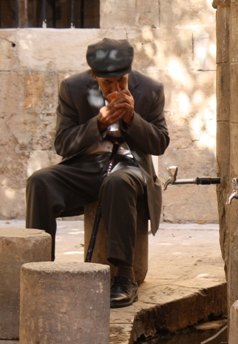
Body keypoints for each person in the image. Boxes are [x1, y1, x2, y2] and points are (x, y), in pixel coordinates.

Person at [26, 38, 170, 308]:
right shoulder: (72, 88)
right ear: (94, 76)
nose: (115, 89)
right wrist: (99, 122)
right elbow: (63, 145)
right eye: (107, 83)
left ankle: (125, 276)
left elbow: (160, 143)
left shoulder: (150, 89)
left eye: (121, 81)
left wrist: (132, 119)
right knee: (40, 182)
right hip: (86, 165)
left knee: (118, 182)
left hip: (131, 167)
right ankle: (38, 269)